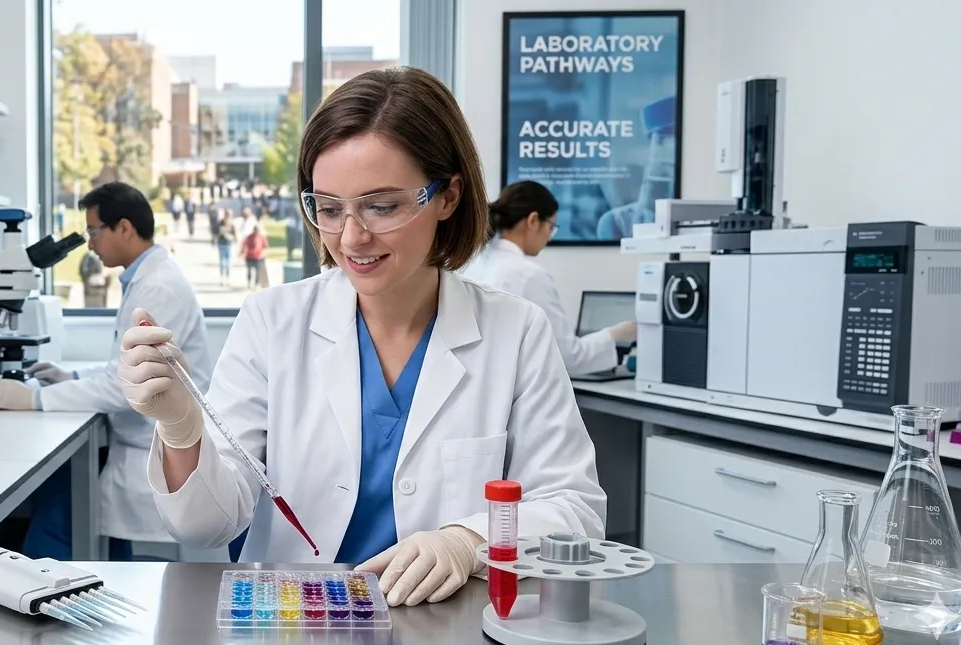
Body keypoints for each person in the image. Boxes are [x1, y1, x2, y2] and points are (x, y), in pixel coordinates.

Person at [115, 67, 605, 607]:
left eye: (382, 206)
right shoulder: (271, 322)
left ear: (448, 196)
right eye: (329, 209)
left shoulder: (515, 332)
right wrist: (181, 427)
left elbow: (574, 510)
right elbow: (206, 525)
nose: (352, 237)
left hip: (450, 631)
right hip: (296, 632)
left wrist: (469, 540)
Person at [0, 181, 213, 561]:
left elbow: (128, 387)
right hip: (137, 443)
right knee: (56, 505)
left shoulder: (157, 288)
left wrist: (34, 398)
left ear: (123, 228)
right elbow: (122, 368)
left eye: (93, 231)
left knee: (53, 525)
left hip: (148, 450)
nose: (89, 243)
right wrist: (70, 377)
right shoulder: (146, 281)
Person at [458, 181, 637, 376]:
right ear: (533, 221)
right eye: (551, 226)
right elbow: (566, 358)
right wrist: (616, 335)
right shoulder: (528, 275)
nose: (549, 237)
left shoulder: (471, 264)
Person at [241, 221, 269, 289]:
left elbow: (265, 247)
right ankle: (249, 282)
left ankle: (256, 284)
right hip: (249, 256)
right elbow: (244, 245)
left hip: (258, 257)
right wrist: (242, 253)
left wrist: (263, 254)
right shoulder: (249, 237)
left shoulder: (261, 237)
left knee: (257, 271)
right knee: (249, 270)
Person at [214, 208, 237, 285]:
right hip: (221, 244)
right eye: (227, 215)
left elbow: (235, 235)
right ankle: (222, 278)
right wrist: (220, 234)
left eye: (229, 215)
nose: (228, 216)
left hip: (229, 244)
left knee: (229, 262)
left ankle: (228, 277)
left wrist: (232, 237)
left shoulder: (232, 224)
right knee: (222, 262)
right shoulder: (220, 223)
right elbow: (216, 232)